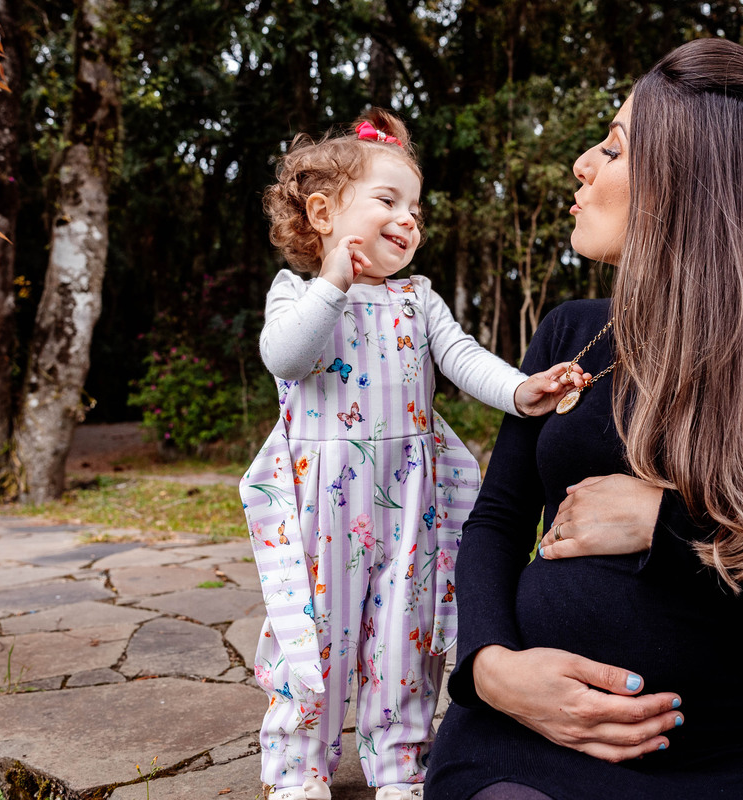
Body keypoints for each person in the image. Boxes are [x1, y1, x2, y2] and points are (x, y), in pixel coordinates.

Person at [424, 38, 743, 800]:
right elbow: (496, 521)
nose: (581, 165)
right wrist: (491, 668)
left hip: (736, 751)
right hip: (526, 740)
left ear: (689, 184)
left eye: (613, 148)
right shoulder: (572, 334)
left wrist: (669, 528)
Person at [239, 110, 586, 800]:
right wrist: (333, 282)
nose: (408, 220)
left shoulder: (417, 300)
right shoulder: (296, 293)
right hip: (320, 506)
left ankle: (399, 763)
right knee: (314, 631)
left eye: (415, 209)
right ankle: (298, 768)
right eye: (388, 200)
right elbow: (286, 356)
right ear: (323, 213)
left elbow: (463, 359)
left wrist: (522, 391)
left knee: (406, 632)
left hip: (409, 504)